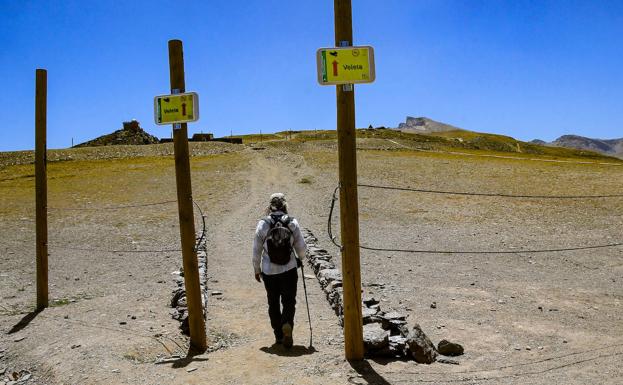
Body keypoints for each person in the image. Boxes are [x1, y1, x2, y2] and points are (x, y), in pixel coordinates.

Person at [253, 193, 307, 348]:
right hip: (289, 269)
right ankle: (287, 324)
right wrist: (299, 260)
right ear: (285, 205)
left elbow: (256, 250)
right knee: (289, 301)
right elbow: (302, 249)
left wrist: (257, 269)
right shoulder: (292, 222)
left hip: (269, 271)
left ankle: (278, 336)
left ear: (270, 206)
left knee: (273, 302)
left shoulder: (263, 224)